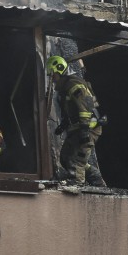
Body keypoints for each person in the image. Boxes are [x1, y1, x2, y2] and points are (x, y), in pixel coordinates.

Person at [47, 55, 106, 186]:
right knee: (65, 158)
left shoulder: (74, 84)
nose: (52, 78)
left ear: (59, 70)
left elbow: (84, 109)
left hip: (89, 128)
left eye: (52, 74)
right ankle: (94, 176)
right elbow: (70, 111)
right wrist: (64, 125)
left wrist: (85, 132)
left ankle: (78, 185)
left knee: (78, 160)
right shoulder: (65, 88)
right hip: (78, 128)